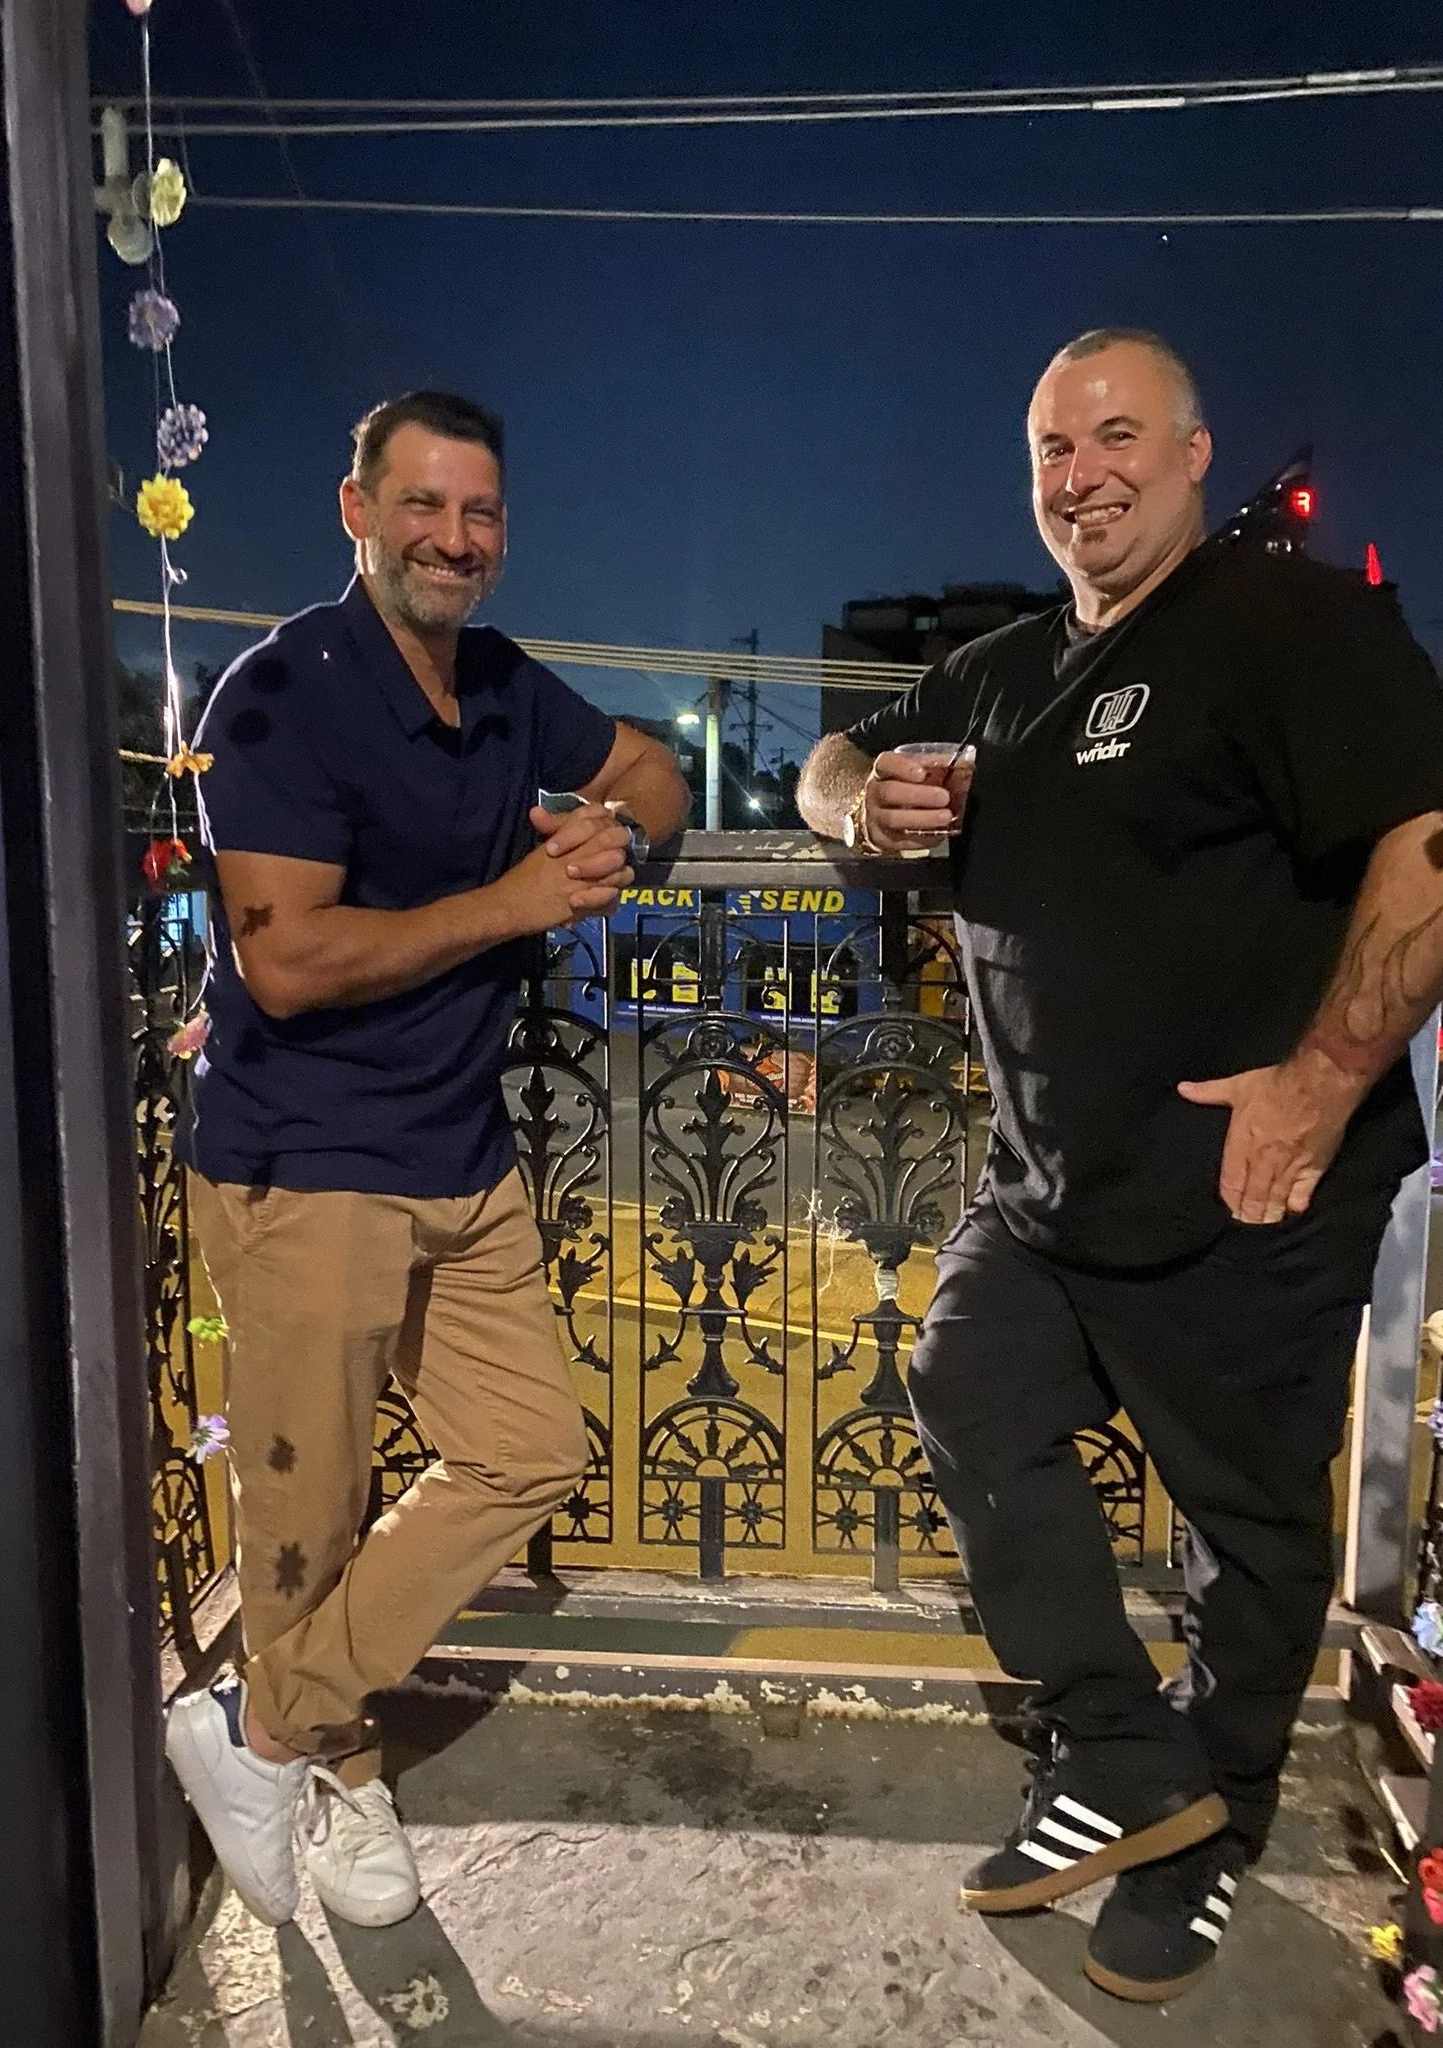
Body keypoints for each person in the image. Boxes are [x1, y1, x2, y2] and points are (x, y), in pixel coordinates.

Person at [798, 329, 1443, 2003]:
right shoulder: (1007, 669)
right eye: (1049, 449)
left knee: (1242, 1521)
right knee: (968, 1387)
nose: (1079, 474)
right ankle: (1123, 1756)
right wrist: (864, 803)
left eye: (1112, 437)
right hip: (1051, 1184)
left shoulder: (1293, 623)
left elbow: (1428, 845)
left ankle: (1216, 1825)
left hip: (1254, 1183)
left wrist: (1322, 1083)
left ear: (1193, 453)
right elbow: (832, 762)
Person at [164, 389, 689, 1930]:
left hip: (461, 1156)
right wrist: (523, 900)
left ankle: (269, 1727)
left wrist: (619, 844)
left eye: (481, 515)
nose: (454, 539)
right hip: (305, 1163)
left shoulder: (509, 687)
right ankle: (347, 1773)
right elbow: (287, 963)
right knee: (307, 1517)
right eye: (424, 506)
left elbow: (652, 775)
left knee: (530, 1450)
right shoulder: (275, 697)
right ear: (358, 511)